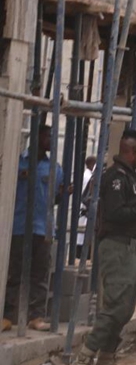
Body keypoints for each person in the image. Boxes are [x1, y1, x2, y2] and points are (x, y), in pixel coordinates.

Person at [73, 130, 136, 365]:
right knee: (116, 307)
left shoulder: (132, 177)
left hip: (130, 250)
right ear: (131, 151)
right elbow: (115, 213)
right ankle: (86, 354)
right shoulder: (116, 177)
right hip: (117, 247)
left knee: (125, 308)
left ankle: (107, 355)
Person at [3, 125, 64, 332]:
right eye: (48, 136)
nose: (51, 140)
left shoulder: (55, 168)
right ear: (37, 138)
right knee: (14, 272)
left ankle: (36, 316)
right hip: (19, 225)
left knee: (40, 274)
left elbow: (55, 197)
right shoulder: (16, 162)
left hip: (43, 228)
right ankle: (8, 316)